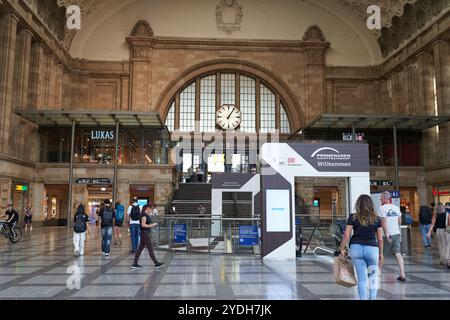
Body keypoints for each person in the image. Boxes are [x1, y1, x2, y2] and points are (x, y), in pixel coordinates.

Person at [338, 194, 383, 300]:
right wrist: (381, 253)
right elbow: (380, 239)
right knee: (372, 277)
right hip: (372, 249)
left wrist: (341, 248)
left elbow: (346, 235)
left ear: (358, 204)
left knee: (362, 278)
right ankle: (372, 298)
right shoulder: (376, 219)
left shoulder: (353, 217)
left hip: (356, 248)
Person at [378, 191, 406, 281]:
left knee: (382, 254)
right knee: (398, 253)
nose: (380, 199)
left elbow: (384, 222)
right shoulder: (396, 208)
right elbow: (400, 221)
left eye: (381, 198)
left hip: (388, 235)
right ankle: (402, 274)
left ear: (385, 198)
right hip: (397, 233)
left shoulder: (382, 209)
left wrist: (386, 234)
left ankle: (378, 273)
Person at [131, 205, 165, 270]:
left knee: (140, 249)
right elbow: (143, 224)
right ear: (147, 209)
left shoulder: (145, 214)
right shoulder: (144, 215)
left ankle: (135, 263)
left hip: (144, 233)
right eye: (151, 209)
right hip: (144, 233)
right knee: (150, 248)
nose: (152, 210)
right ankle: (156, 263)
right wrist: (152, 225)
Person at [427, 203, 450, 268]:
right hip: (446, 231)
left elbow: (432, 224)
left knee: (440, 246)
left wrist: (429, 232)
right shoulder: (447, 213)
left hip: (438, 231)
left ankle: (442, 260)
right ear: (442, 207)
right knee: (447, 246)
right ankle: (447, 260)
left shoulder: (435, 214)